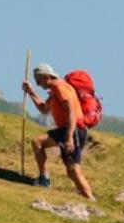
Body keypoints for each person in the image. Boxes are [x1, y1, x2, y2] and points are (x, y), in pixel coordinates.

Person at [22, 63, 95, 200]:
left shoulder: (60, 87)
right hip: (66, 130)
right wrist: (31, 92)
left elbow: (71, 111)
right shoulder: (54, 90)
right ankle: (44, 178)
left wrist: (69, 137)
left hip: (73, 130)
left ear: (47, 76)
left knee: (73, 170)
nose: (37, 84)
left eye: (38, 80)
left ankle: (90, 199)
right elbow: (44, 109)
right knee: (38, 142)